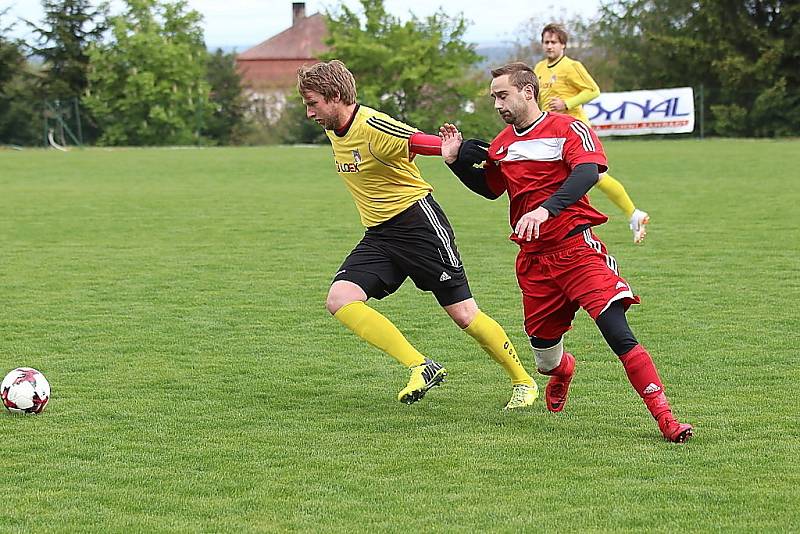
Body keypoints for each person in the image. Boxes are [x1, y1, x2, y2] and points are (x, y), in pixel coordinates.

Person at [439, 62, 693, 442]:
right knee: (545, 358)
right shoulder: (503, 144)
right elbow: (492, 189)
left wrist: (546, 209)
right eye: (493, 97)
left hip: (577, 250)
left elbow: (588, 172)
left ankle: (667, 420)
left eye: (503, 95)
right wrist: (455, 163)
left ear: (528, 91)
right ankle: (563, 371)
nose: (497, 104)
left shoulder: (568, 129)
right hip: (534, 263)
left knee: (617, 332)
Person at [296, 59, 538, 409]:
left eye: (313, 103)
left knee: (464, 315)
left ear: (335, 96)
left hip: (419, 226)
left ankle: (523, 382)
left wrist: (448, 148)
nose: (309, 113)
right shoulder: (335, 129)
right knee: (340, 299)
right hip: (380, 235)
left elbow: (415, 140)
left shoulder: (373, 125)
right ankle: (421, 366)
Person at [534, 23, 650, 244]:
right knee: (574, 177)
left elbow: (593, 90)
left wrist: (567, 102)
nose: (549, 46)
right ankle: (632, 215)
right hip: (552, 132)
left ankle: (629, 215)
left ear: (563, 45)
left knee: (589, 176)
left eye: (553, 42)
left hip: (575, 130)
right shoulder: (539, 68)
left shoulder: (571, 66)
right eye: (546, 42)